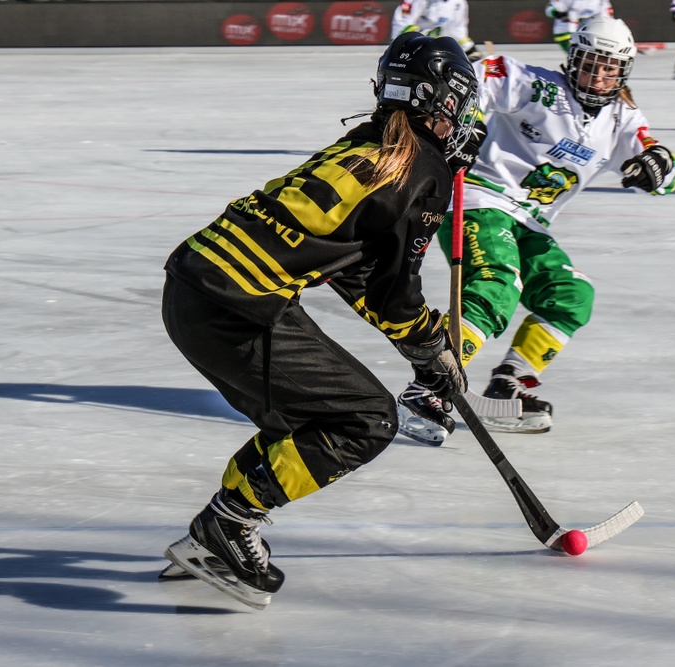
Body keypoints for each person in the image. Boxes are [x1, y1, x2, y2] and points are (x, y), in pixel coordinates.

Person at [158, 34, 480, 609]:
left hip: (195, 289)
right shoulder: (421, 172)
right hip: (239, 306)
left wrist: (423, 344)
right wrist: (432, 350)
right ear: (443, 102)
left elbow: (358, 273)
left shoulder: (372, 142)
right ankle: (226, 525)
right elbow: (394, 291)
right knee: (366, 420)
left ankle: (221, 529)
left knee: (309, 421)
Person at [396, 16, 675, 444]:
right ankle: (430, 386)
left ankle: (508, 381)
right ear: (573, 59)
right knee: (497, 283)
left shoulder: (623, 117)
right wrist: (466, 113)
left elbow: (660, 160)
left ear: (623, 72)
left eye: (609, 68)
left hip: (530, 222)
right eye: (590, 62)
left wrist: (658, 167)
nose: (598, 75)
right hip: (479, 200)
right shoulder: (539, 85)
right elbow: (481, 75)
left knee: (572, 296)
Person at [392, 0, 484, 62]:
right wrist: (425, 37)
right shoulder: (413, 1)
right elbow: (402, 26)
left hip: (438, 53)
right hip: (411, 51)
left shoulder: (459, 3)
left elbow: (457, 32)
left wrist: (470, 50)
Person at [545, 0, 614, 53]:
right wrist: (558, 13)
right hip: (565, 33)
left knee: (589, 58)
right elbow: (551, 8)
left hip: (590, 32)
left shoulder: (600, 2)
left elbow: (607, 16)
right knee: (577, 57)